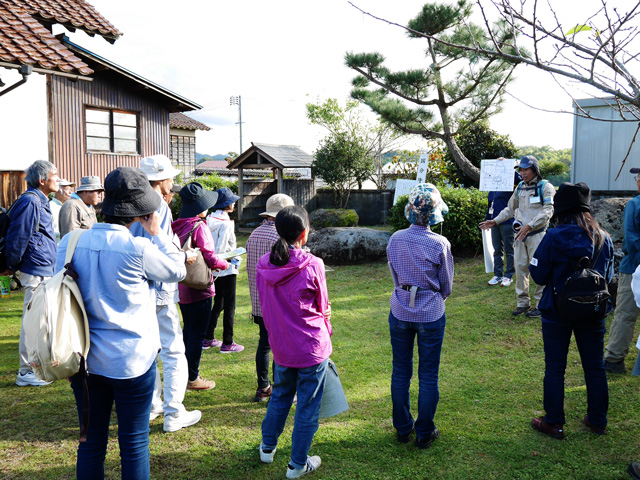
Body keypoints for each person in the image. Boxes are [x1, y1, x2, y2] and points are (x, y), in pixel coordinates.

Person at [56, 167, 189, 479]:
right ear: (140, 211)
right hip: (132, 359)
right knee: (133, 443)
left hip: (83, 358)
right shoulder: (138, 247)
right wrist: (157, 234)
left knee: (90, 441)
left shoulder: (71, 243)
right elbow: (177, 271)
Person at [528, 182, 613, 439]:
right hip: (594, 310)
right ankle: (597, 420)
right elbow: (607, 275)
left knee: (555, 367)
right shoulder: (603, 237)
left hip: (557, 310)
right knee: (595, 367)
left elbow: (539, 275)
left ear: (560, 208)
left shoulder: (553, 237)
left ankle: (554, 422)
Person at [256, 206, 332, 479]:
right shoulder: (313, 264)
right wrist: (328, 330)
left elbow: (265, 303)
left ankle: (267, 447)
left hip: (282, 346)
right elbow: (323, 307)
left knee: (280, 395)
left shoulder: (264, 263)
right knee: (307, 406)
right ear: (304, 232)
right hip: (311, 347)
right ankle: (298, 464)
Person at [130, 154, 201, 432]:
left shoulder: (133, 202)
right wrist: (184, 256)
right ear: (159, 179)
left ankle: (152, 405)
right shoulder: (157, 204)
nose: (173, 181)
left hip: (138, 288)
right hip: (160, 286)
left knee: (148, 349)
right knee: (172, 351)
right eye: (170, 176)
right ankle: (174, 412)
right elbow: (162, 248)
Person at [386, 183, 453, 449]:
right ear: (435, 213)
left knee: (400, 371)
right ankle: (424, 432)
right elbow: (446, 284)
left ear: (410, 211)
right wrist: (436, 297)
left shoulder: (395, 238)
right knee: (428, 375)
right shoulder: (440, 243)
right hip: (431, 312)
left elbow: (393, 274)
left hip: (400, 307)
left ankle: (403, 429)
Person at [2, 160, 59, 387]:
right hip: (35, 270)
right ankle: (26, 372)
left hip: (42, 268)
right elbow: (19, 237)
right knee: (32, 322)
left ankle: (38, 366)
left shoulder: (38, 200)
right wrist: (11, 265)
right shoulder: (31, 201)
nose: (58, 178)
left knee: (40, 320)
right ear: (43, 179)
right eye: (55, 175)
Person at [480, 156, 555, 318]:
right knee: (521, 269)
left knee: (540, 270)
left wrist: (530, 225)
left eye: (526, 169)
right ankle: (523, 303)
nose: (523, 173)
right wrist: (495, 220)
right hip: (520, 236)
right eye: (521, 170)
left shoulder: (546, 187)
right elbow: (509, 209)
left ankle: (541, 304)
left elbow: (548, 211)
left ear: (535, 169)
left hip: (537, 236)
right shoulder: (520, 187)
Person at [172, 183, 230, 391]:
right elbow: (211, 257)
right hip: (200, 288)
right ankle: (192, 378)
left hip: (181, 286)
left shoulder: (175, 224)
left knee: (188, 332)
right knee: (197, 335)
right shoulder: (199, 226)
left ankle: (185, 374)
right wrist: (227, 264)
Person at [246, 193, 295, 402]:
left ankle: (263, 387)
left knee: (264, 344)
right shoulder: (280, 237)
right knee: (280, 346)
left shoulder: (254, 234)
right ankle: (279, 389)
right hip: (277, 303)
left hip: (258, 301)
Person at [603, 167, 640, 374]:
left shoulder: (635, 204)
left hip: (634, 268)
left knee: (625, 314)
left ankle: (614, 360)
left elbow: (631, 240)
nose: (637, 181)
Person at [204, 187, 244, 353]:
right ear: (227, 204)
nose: (234, 203)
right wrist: (235, 256)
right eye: (232, 201)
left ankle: (207, 338)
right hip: (226, 267)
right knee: (230, 305)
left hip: (212, 267)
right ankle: (228, 342)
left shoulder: (208, 219)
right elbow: (222, 250)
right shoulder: (226, 223)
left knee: (218, 302)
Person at [485, 169, 521, 287]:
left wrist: (510, 168)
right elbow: (490, 204)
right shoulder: (493, 188)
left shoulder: (510, 185)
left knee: (509, 249)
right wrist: (488, 219)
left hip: (507, 221)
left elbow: (519, 179)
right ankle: (498, 274)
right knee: (497, 249)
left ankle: (509, 275)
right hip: (494, 222)